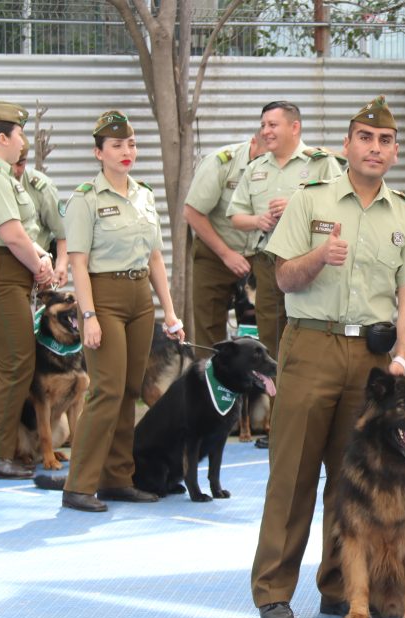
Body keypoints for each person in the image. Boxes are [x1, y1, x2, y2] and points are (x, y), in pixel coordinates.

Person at [251, 96, 405, 618]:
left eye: (384, 141)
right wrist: (318, 258)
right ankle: (272, 590)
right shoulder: (310, 199)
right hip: (311, 345)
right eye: (364, 138)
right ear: (347, 145)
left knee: (352, 477)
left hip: (374, 360)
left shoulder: (404, 212)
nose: (374, 149)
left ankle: (339, 586)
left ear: (394, 152)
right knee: (292, 473)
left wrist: (403, 356)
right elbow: (283, 277)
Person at [61, 110, 184, 512]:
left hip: (138, 299)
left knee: (131, 390)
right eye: (116, 145)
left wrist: (170, 312)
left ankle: (117, 478)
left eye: (131, 143)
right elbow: (78, 262)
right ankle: (79, 485)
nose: (126, 151)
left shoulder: (144, 195)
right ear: (99, 153)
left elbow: (155, 259)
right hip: (103, 298)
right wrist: (89, 315)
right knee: (106, 390)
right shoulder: (85, 199)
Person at [226, 101, 343, 362]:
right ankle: (276, 399)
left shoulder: (320, 164)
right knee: (270, 340)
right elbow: (235, 217)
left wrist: (297, 206)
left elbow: (343, 207)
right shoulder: (256, 168)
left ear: (295, 127)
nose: (265, 131)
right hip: (267, 263)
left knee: (312, 335)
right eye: (263, 125)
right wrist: (258, 221)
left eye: (272, 125)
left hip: (310, 263)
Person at [0, 100, 54, 480]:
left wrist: (38, 256)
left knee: (0, 364)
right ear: (2, 138)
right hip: (2, 275)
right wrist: (41, 266)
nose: (23, 141)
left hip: (8, 273)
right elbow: (12, 235)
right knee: (15, 362)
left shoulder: (2, 176)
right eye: (20, 134)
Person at [184, 131, 266, 356]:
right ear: (253, 142)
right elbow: (192, 212)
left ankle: (259, 389)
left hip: (258, 255)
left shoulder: (284, 165)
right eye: (263, 155)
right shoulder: (222, 163)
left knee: (261, 332)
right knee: (209, 332)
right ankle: (210, 386)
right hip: (215, 254)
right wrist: (226, 254)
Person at [12, 139, 68, 286]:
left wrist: (61, 266)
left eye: (21, 163)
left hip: (39, 269)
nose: (15, 170)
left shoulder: (41, 187)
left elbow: (63, 233)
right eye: (10, 163)